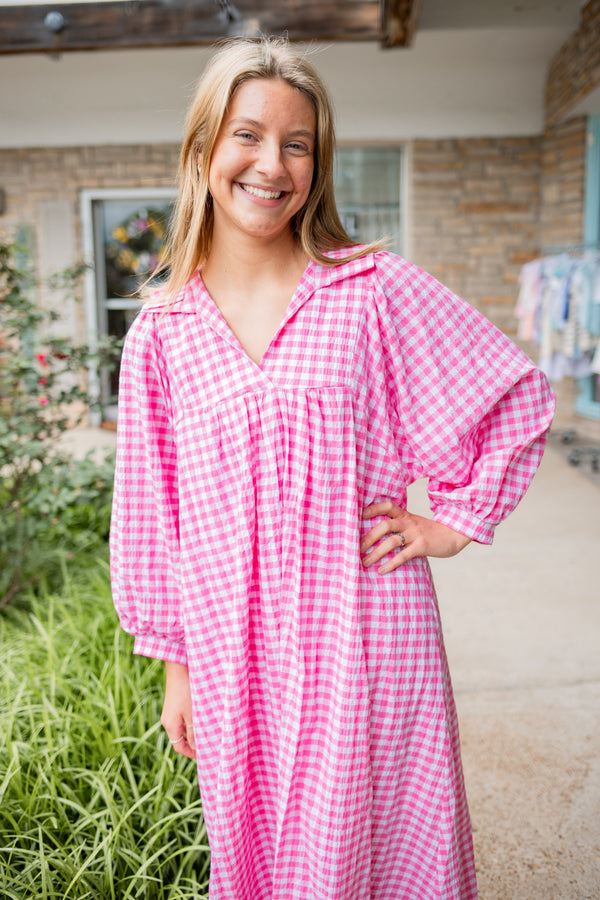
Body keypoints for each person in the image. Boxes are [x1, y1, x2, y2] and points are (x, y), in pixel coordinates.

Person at [109, 36, 555, 900]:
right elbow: (149, 515)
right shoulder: (162, 333)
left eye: (297, 143)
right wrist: (178, 668)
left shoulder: (372, 292)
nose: (271, 164)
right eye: (247, 135)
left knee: (386, 845)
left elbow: (511, 396)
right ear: (204, 150)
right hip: (235, 653)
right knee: (269, 851)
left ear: (319, 163)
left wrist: (452, 524)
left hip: (370, 634)